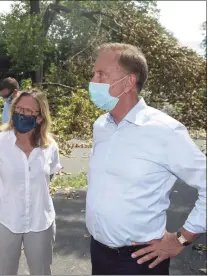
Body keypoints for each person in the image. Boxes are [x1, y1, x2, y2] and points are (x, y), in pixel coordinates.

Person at [86, 43, 206, 275]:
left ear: (129, 82)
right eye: (94, 73)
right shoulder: (101, 126)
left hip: (140, 261)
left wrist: (182, 238)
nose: (93, 80)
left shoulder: (165, 131)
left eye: (101, 74)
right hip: (98, 253)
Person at [0, 88, 62, 275]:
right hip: (5, 219)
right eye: (18, 109)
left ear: (40, 117)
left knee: (42, 271)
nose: (21, 114)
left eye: (28, 111)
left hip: (40, 220)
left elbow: (47, 178)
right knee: (5, 271)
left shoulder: (50, 146)